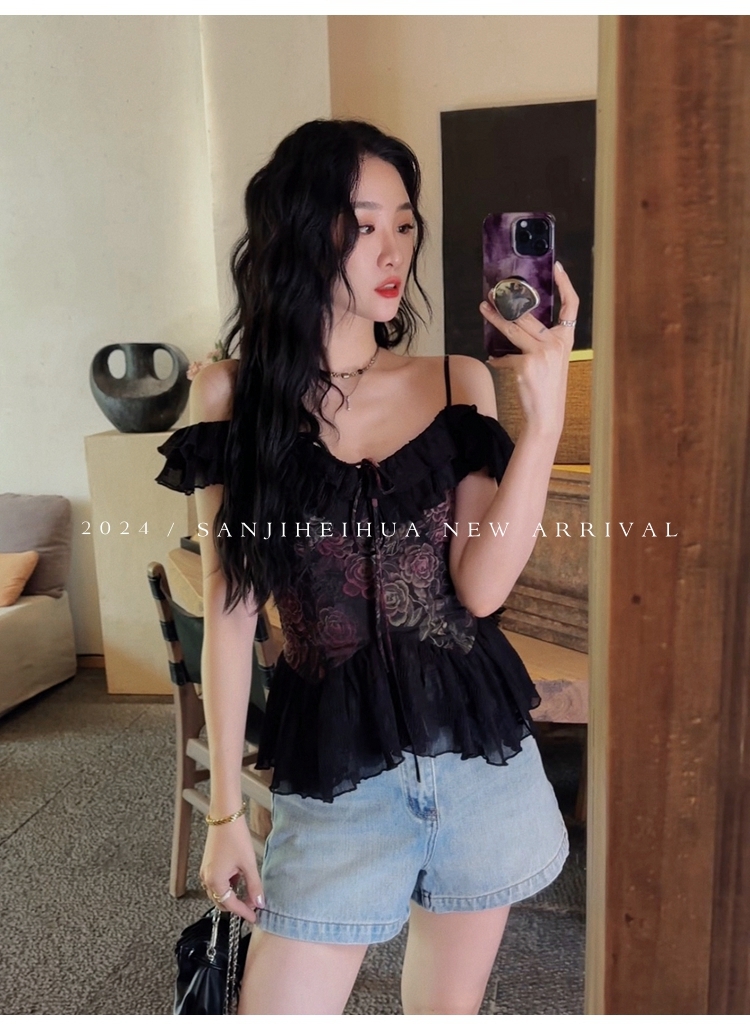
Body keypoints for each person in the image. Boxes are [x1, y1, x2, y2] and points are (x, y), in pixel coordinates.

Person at [155, 118, 579, 1015]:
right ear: (302, 233)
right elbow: (231, 613)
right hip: (337, 775)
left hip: (478, 766)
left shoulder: (458, 379)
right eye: (364, 225)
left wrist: (542, 423)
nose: (395, 251)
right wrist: (224, 813)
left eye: (406, 223)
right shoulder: (230, 397)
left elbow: (480, 589)